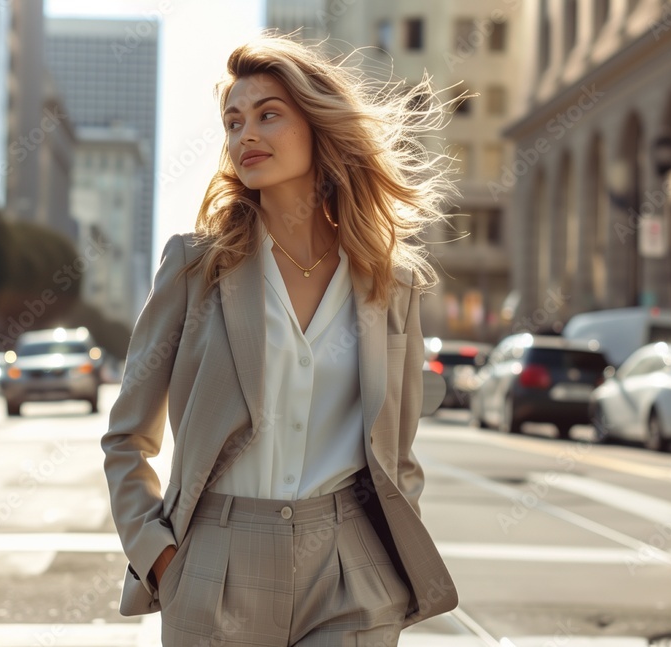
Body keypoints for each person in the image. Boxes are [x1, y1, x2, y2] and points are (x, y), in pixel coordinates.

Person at [101, 33, 458, 646]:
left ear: (320, 127)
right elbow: (128, 435)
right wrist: (159, 553)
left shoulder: (389, 284)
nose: (246, 136)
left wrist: (387, 564)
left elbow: (398, 454)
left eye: (268, 115)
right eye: (233, 122)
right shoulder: (195, 269)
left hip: (350, 567)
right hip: (215, 562)